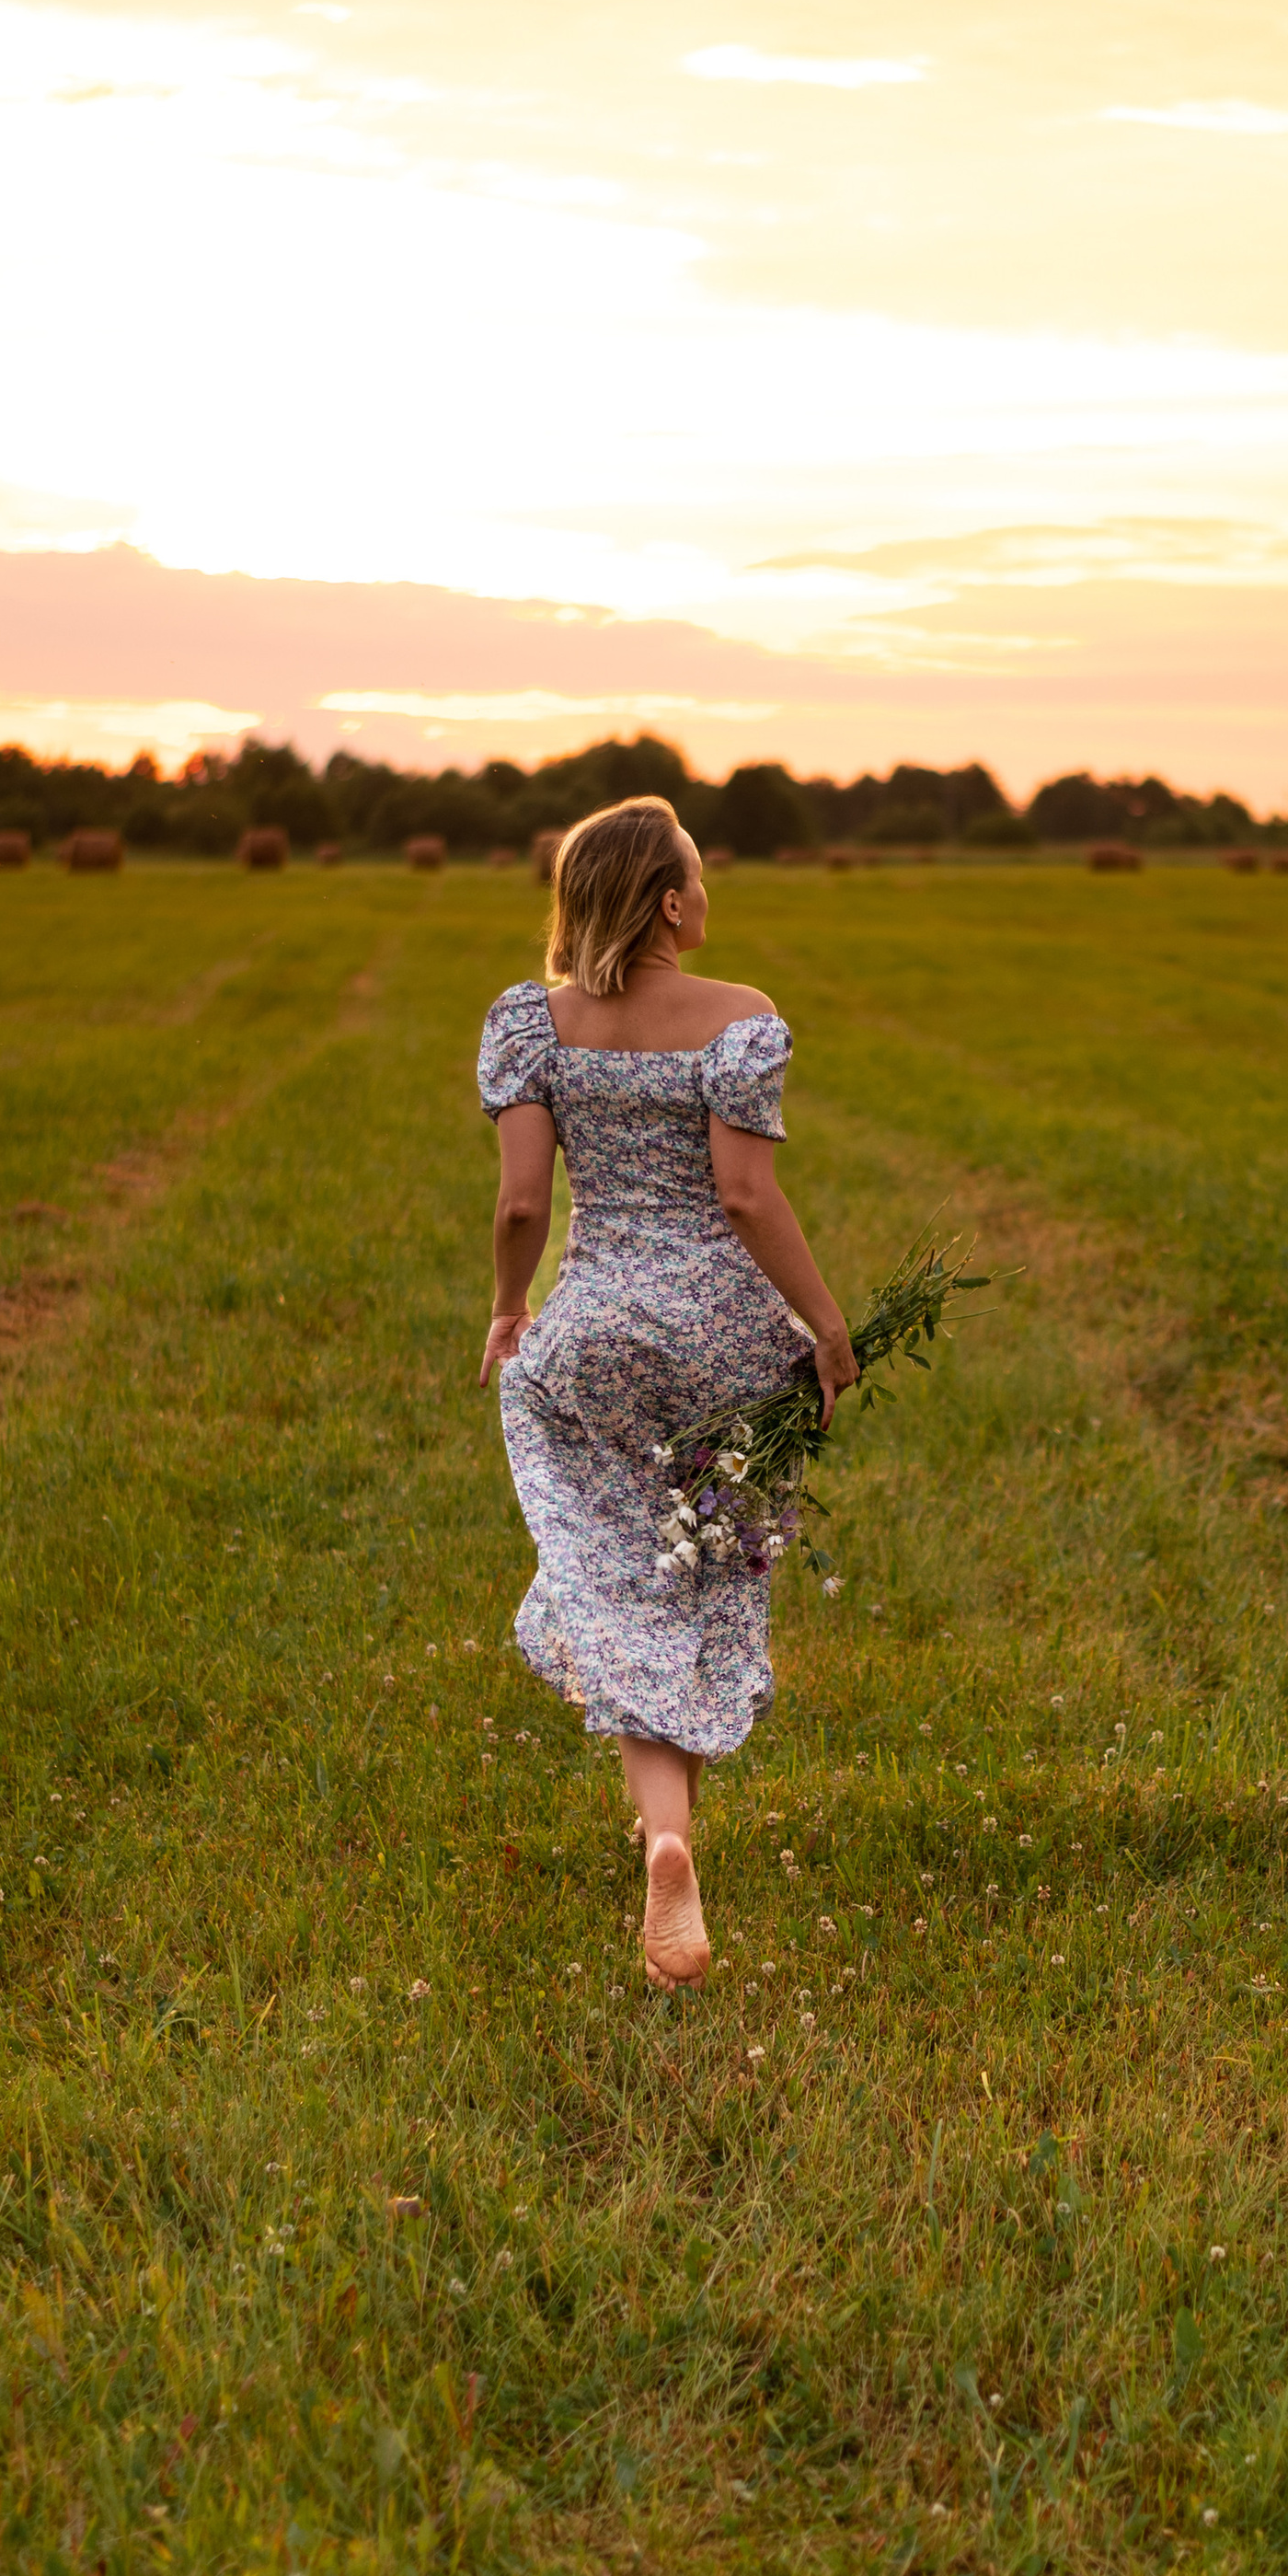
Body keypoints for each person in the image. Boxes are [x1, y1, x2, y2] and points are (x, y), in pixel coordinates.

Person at [477, 796, 857, 1987]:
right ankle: (670, 1841)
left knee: (615, 1574)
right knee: (697, 1572)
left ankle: (669, 1840)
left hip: (591, 1333)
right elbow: (747, 1199)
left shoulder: (530, 1021)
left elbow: (524, 1206)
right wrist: (828, 1327)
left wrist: (508, 1305)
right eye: (698, 877)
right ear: (671, 900)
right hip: (723, 1344)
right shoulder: (742, 1021)